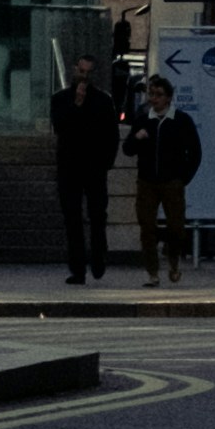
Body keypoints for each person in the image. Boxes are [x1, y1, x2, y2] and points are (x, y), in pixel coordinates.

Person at [49, 56, 121, 289]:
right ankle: (77, 268)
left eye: (88, 72)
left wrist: (107, 162)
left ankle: (98, 256)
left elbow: (112, 134)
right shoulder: (60, 99)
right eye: (81, 71)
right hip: (69, 167)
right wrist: (76, 104)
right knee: (72, 218)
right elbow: (60, 127)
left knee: (97, 215)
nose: (84, 76)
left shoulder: (102, 100)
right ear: (74, 70)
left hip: (94, 166)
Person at [132, 84, 202, 290]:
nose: (154, 99)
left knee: (176, 226)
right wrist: (137, 138)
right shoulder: (144, 120)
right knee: (147, 226)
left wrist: (182, 178)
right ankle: (152, 272)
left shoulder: (180, 121)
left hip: (172, 181)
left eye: (159, 95)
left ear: (169, 98)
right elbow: (128, 148)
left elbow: (195, 152)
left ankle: (174, 260)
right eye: (151, 94)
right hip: (147, 181)